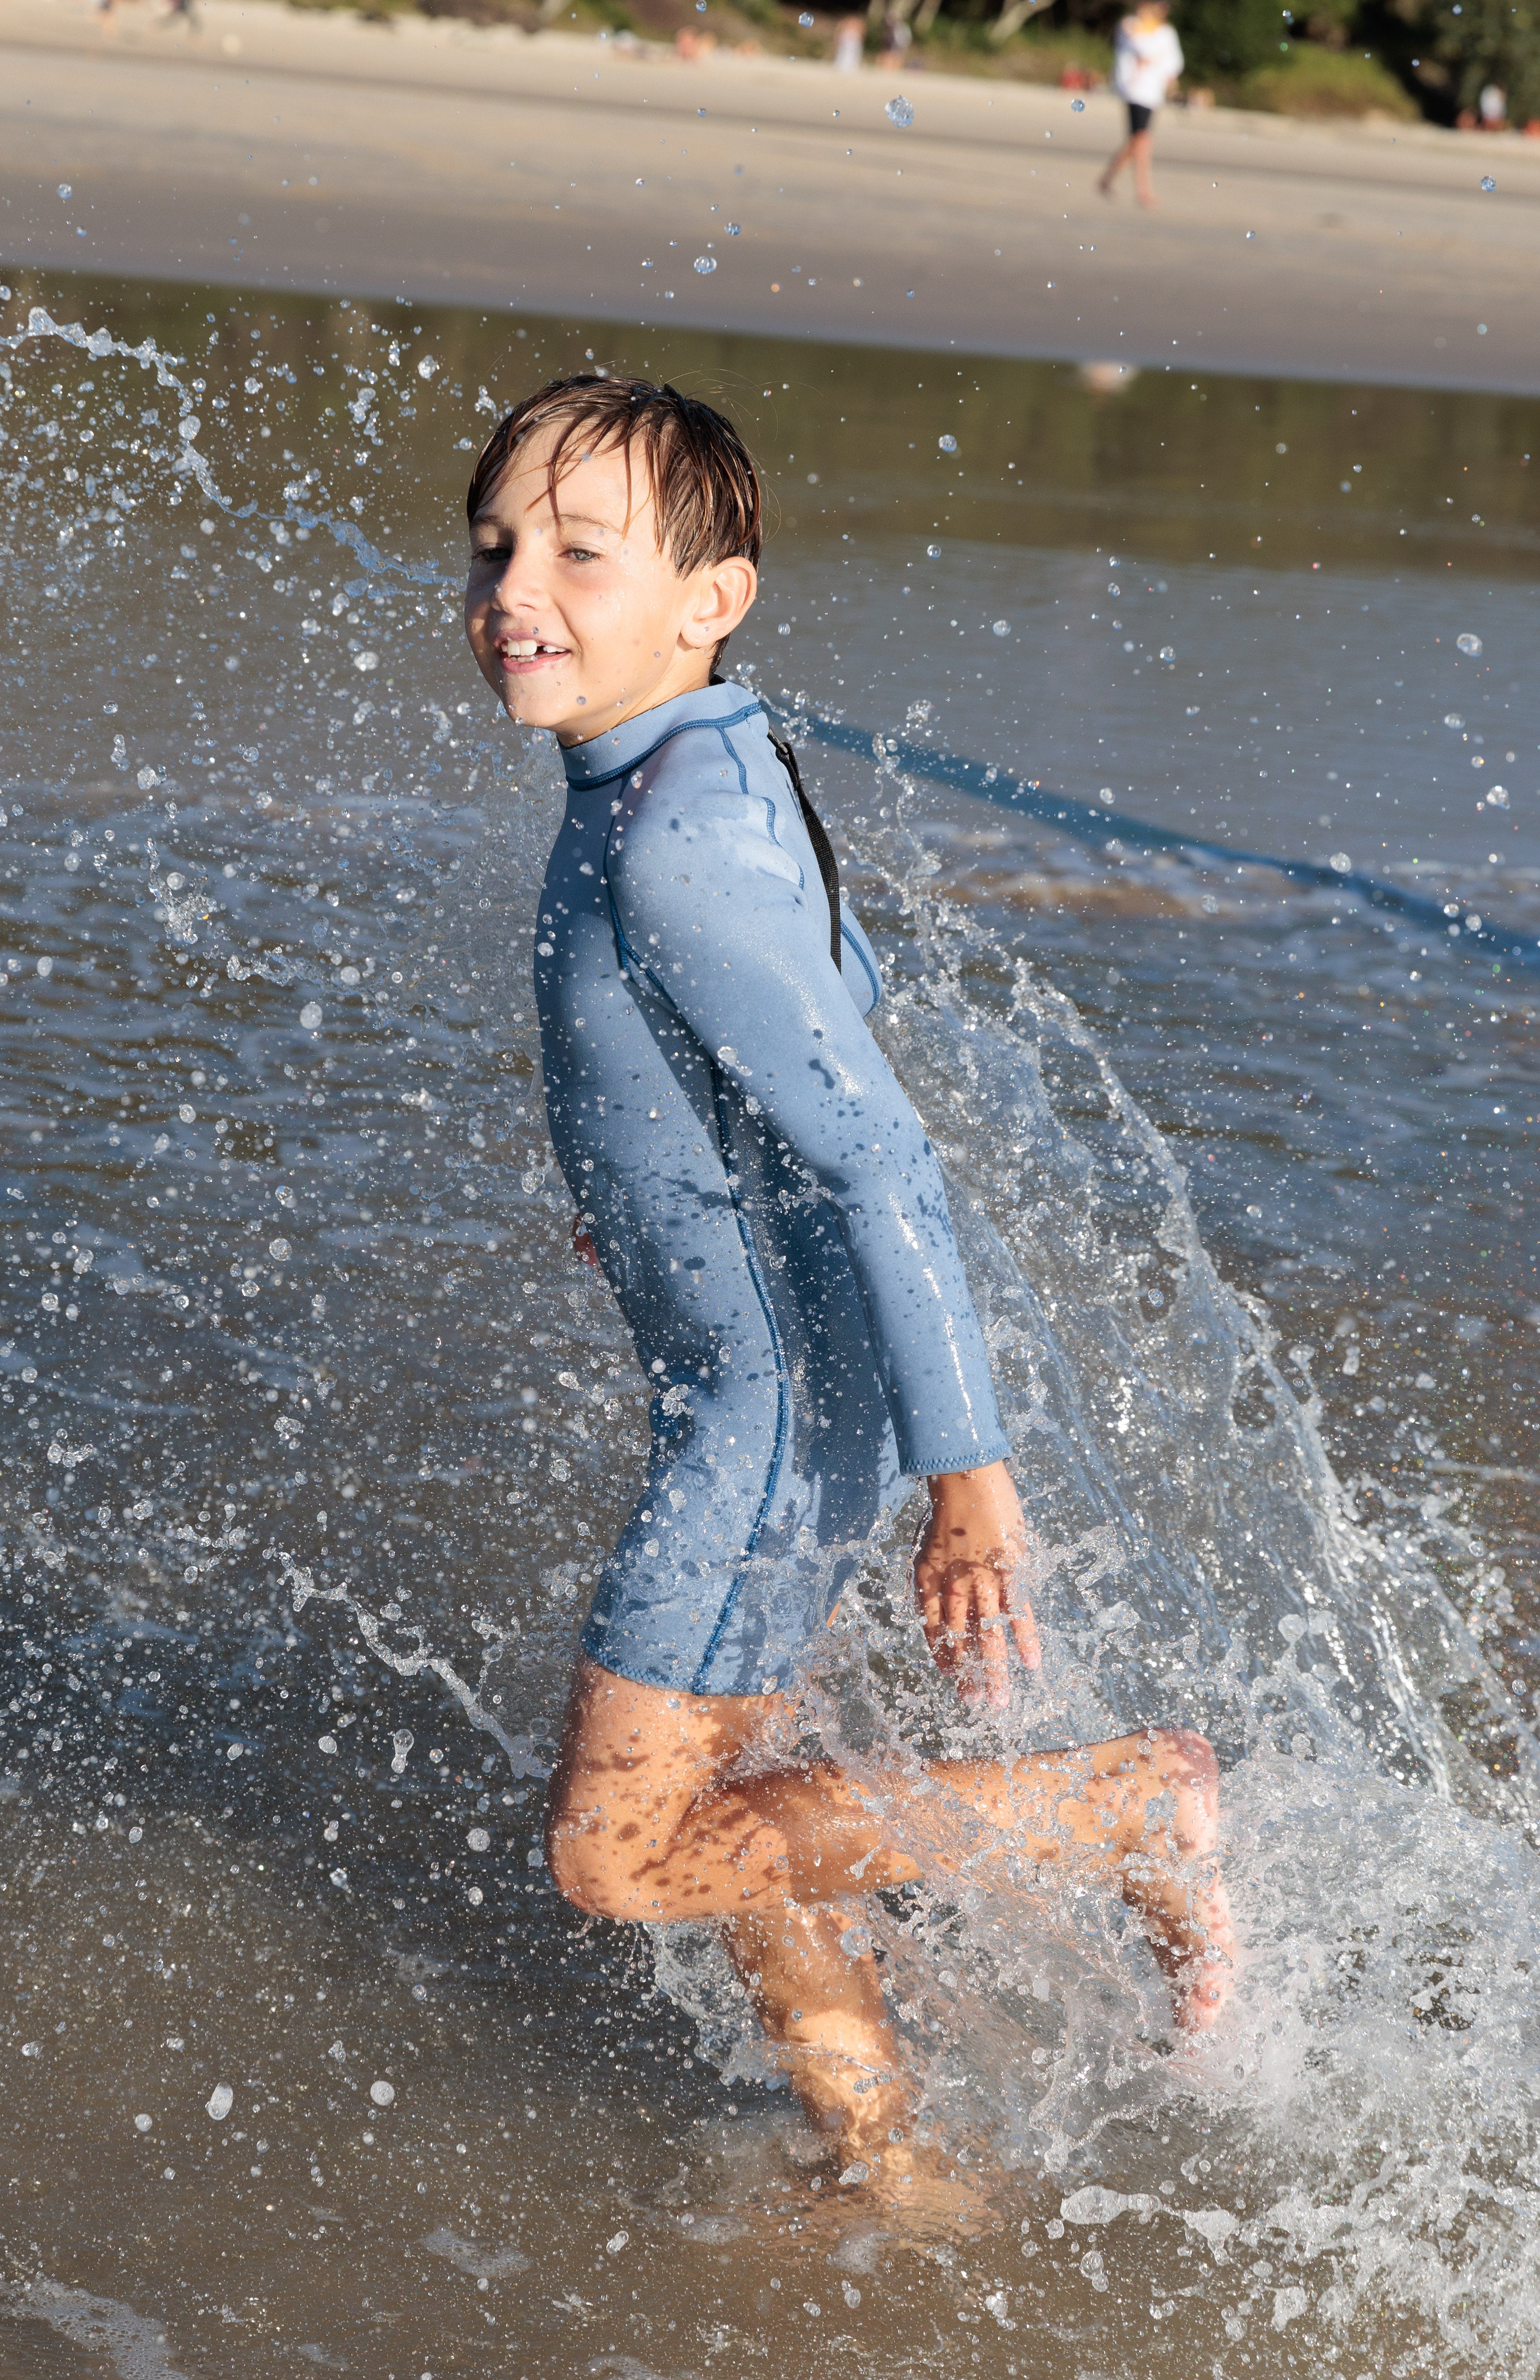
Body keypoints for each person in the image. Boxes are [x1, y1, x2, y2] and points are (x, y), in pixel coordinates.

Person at [461, 377, 1234, 2215]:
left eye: (581, 551)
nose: (514, 587)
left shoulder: (667, 834)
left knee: (621, 1855)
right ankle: (882, 2152)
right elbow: (821, 1007)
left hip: (760, 1419)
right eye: (495, 543)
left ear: (708, 598)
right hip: (769, 1387)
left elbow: (882, 1157)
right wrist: (650, 1202)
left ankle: (1119, 1806)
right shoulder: (686, 762)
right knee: (747, 1806)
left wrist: (968, 1480)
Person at [1098, 0, 1183, 208]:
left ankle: (1108, 179)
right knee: (1142, 140)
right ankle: (1142, 191)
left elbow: (1174, 61)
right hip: (1134, 90)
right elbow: (1142, 48)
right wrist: (1155, 56)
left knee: (1140, 141)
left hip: (1153, 92)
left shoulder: (1166, 31)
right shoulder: (1130, 24)